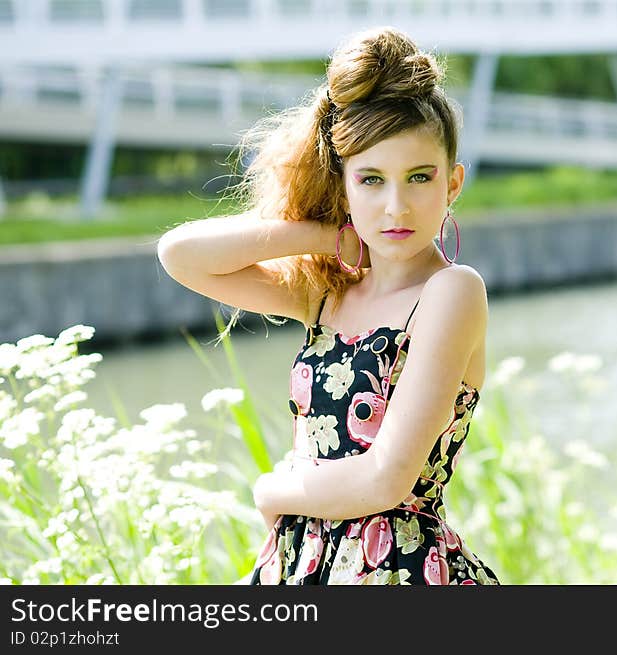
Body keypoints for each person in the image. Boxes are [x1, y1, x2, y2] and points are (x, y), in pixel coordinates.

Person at [157, 25, 500, 585]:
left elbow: (386, 479)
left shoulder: (452, 292)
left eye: (419, 178)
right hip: (297, 567)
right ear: (344, 187)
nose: (396, 206)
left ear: (453, 184)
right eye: (370, 180)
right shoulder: (330, 295)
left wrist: (272, 489)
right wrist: (321, 238)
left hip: (395, 567)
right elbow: (181, 256)